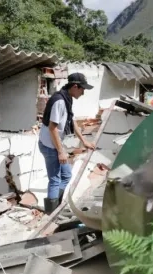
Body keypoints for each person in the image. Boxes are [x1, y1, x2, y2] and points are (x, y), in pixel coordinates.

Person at [38, 72, 97, 213]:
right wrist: (60, 152)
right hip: (49, 145)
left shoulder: (67, 99)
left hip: (55, 144)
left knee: (66, 175)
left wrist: (84, 141)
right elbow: (52, 128)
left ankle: (56, 208)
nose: (83, 93)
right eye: (83, 89)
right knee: (55, 180)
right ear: (76, 86)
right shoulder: (59, 101)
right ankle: (51, 214)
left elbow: (72, 121)